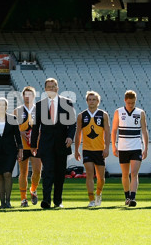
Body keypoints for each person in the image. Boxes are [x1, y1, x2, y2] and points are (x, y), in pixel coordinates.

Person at [30, 78, 76, 209]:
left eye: (53, 86)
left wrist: (70, 137)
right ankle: (46, 201)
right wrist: (33, 145)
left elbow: (72, 124)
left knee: (60, 173)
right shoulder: (39, 105)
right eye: (48, 87)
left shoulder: (67, 103)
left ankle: (58, 201)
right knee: (47, 172)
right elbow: (35, 126)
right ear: (45, 89)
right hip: (46, 144)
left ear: (57, 88)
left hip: (62, 144)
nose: (51, 88)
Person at [111, 90, 149, 207]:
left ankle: (132, 197)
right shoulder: (118, 112)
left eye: (132, 103)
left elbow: (144, 130)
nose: (131, 105)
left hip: (136, 146)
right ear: (125, 101)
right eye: (128, 103)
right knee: (125, 173)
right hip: (123, 147)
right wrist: (113, 145)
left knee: (134, 173)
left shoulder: (140, 112)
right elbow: (114, 130)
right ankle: (126, 196)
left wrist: (146, 148)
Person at [75, 91, 110, 207]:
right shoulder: (81, 116)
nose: (91, 101)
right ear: (87, 101)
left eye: (94, 99)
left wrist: (107, 148)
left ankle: (98, 194)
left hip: (100, 150)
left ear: (98, 102)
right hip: (87, 149)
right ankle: (91, 199)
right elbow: (78, 133)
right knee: (89, 174)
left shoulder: (103, 114)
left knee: (101, 178)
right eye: (89, 99)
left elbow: (108, 132)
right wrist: (76, 150)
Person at [14, 86, 42, 207]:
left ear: (34, 96)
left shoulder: (39, 110)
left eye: (30, 94)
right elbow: (13, 128)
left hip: (36, 145)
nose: (27, 97)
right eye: (25, 94)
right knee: (23, 172)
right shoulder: (17, 110)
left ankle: (33, 189)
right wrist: (20, 132)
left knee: (37, 171)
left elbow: (43, 127)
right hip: (22, 146)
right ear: (23, 96)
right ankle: (23, 199)